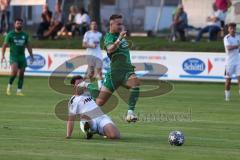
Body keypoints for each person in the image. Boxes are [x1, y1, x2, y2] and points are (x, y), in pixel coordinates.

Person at [80, 14, 140, 123]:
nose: (121, 26)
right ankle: (87, 86)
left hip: (127, 71)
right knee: (99, 102)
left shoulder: (120, 36)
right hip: (114, 75)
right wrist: (119, 39)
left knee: (135, 83)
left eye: (122, 23)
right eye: (119, 24)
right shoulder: (109, 37)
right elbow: (110, 49)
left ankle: (130, 113)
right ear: (111, 24)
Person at [66, 75, 120, 139]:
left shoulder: (91, 92)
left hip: (101, 118)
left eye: (82, 83)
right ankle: (89, 130)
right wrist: (68, 135)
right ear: (73, 86)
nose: (82, 85)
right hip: (88, 120)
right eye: (79, 84)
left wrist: (89, 84)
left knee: (115, 136)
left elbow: (100, 93)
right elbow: (71, 119)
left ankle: (102, 132)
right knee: (85, 117)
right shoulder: (73, 100)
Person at [1, 18, 34, 96]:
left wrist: (31, 55)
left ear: (22, 24)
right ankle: (9, 87)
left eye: (20, 23)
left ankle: (19, 91)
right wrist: (2, 56)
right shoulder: (10, 34)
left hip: (22, 57)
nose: (19, 25)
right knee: (14, 72)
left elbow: (28, 46)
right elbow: (4, 46)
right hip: (13, 56)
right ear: (14, 24)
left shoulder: (25, 35)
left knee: (22, 73)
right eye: (17, 23)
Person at [83, 21, 103, 89]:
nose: (94, 25)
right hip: (90, 55)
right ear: (90, 26)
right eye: (92, 24)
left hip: (98, 55)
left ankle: (100, 88)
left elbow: (101, 44)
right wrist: (91, 46)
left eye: (95, 24)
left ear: (97, 26)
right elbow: (84, 44)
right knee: (91, 73)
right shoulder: (87, 34)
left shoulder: (100, 34)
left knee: (99, 72)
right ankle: (85, 85)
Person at [223, 22, 240, 101]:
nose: (233, 30)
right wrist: (237, 46)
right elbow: (228, 48)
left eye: (234, 28)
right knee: (228, 81)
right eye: (231, 28)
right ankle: (227, 97)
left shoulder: (238, 36)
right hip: (229, 62)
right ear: (228, 29)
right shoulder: (227, 38)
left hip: (238, 61)